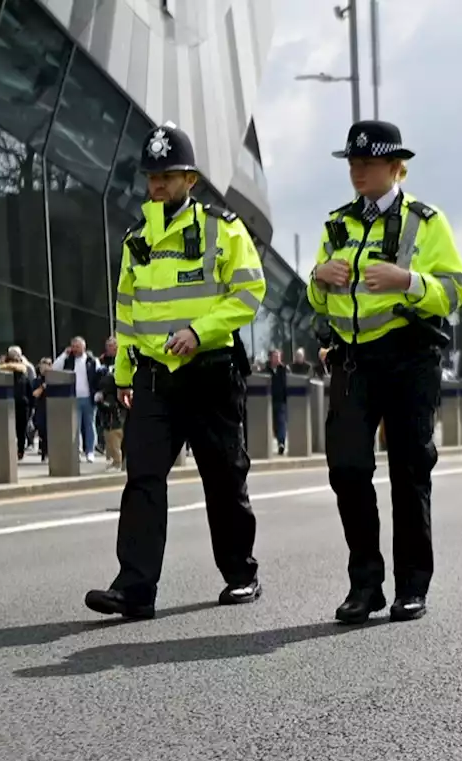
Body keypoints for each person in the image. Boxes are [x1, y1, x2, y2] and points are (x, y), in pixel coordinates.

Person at [85, 122, 267, 620]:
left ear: (190, 178)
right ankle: (135, 589)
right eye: (152, 177)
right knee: (142, 478)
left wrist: (200, 331)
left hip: (209, 373)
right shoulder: (136, 239)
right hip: (154, 380)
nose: (158, 185)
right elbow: (128, 312)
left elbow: (249, 293)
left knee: (223, 478)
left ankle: (241, 574)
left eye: (167, 176)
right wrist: (123, 373)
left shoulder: (222, 228)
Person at [308, 119, 462, 624]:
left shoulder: (427, 220)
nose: (358, 171)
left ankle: (412, 586)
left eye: (369, 163)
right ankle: (365, 585)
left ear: (396, 167)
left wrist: (409, 281)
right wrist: (317, 278)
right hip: (353, 360)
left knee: (409, 470)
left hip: (409, 357)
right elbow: (320, 299)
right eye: (354, 163)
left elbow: (455, 291)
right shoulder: (337, 224)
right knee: (347, 468)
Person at [52, 337, 103, 462]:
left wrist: (99, 392)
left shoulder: (92, 360)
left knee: (90, 425)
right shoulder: (68, 360)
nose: (75, 349)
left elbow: (100, 377)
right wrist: (64, 354)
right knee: (75, 427)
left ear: (83, 347)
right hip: (72, 398)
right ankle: (77, 451)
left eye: (77, 346)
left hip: (88, 397)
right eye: (73, 346)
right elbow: (55, 368)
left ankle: (90, 451)